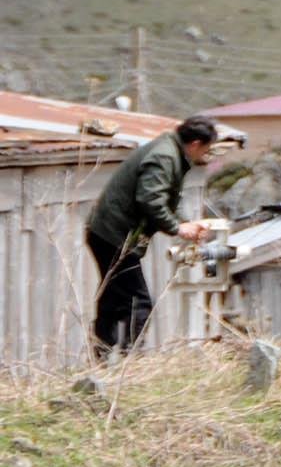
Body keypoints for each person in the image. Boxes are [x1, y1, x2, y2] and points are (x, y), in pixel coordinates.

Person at [84, 113, 219, 359]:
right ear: (196, 144)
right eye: (206, 150)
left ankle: (103, 356)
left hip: (106, 233)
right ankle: (130, 360)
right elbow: (150, 199)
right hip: (114, 235)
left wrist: (186, 222)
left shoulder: (169, 151)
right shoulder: (165, 156)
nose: (204, 156)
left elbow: (165, 196)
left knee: (114, 298)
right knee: (139, 302)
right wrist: (178, 228)